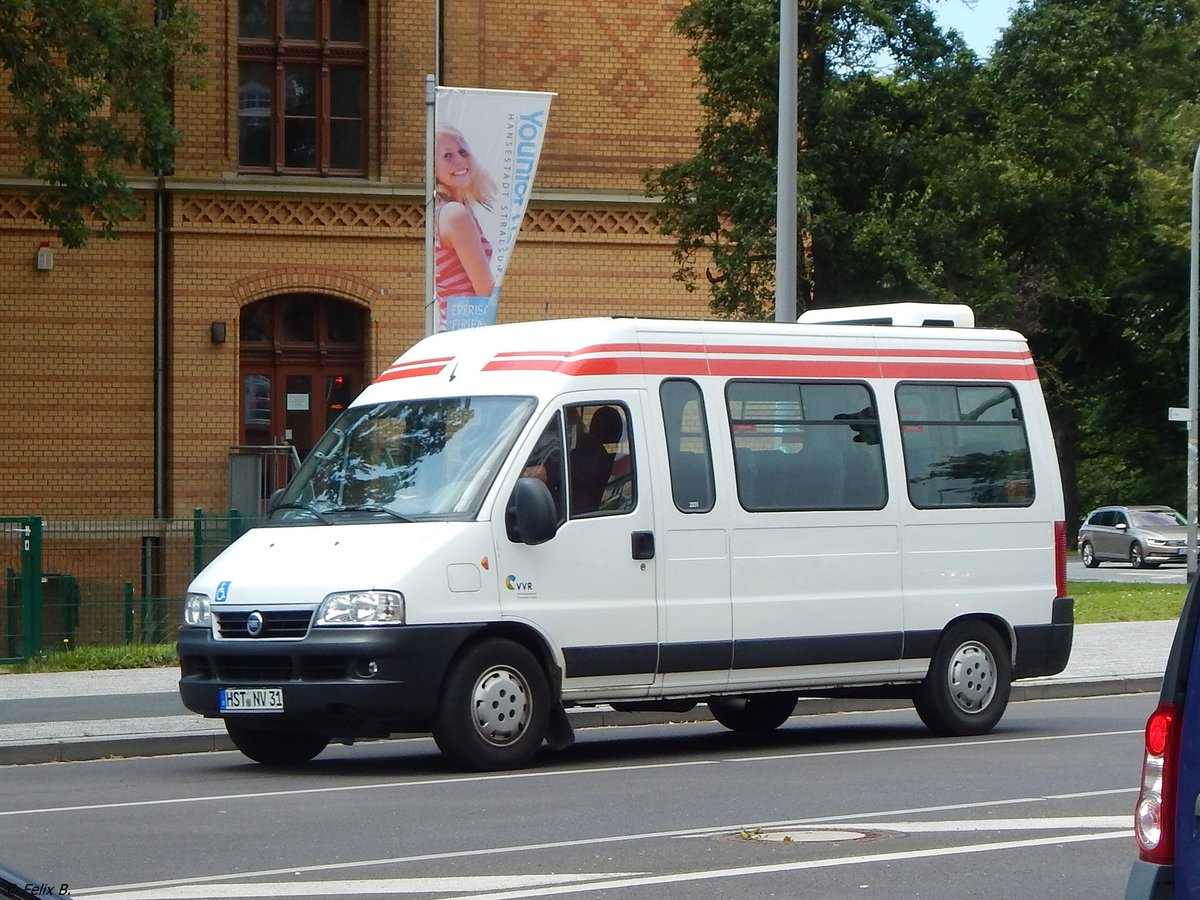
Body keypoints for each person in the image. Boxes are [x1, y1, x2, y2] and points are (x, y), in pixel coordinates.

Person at [434, 124, 497, 329]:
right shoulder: (456, 214)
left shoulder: (453, 210)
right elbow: (484, 286)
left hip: (456, 327)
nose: (460, 161)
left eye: (462, 151)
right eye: (447, 156)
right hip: (467, 330)